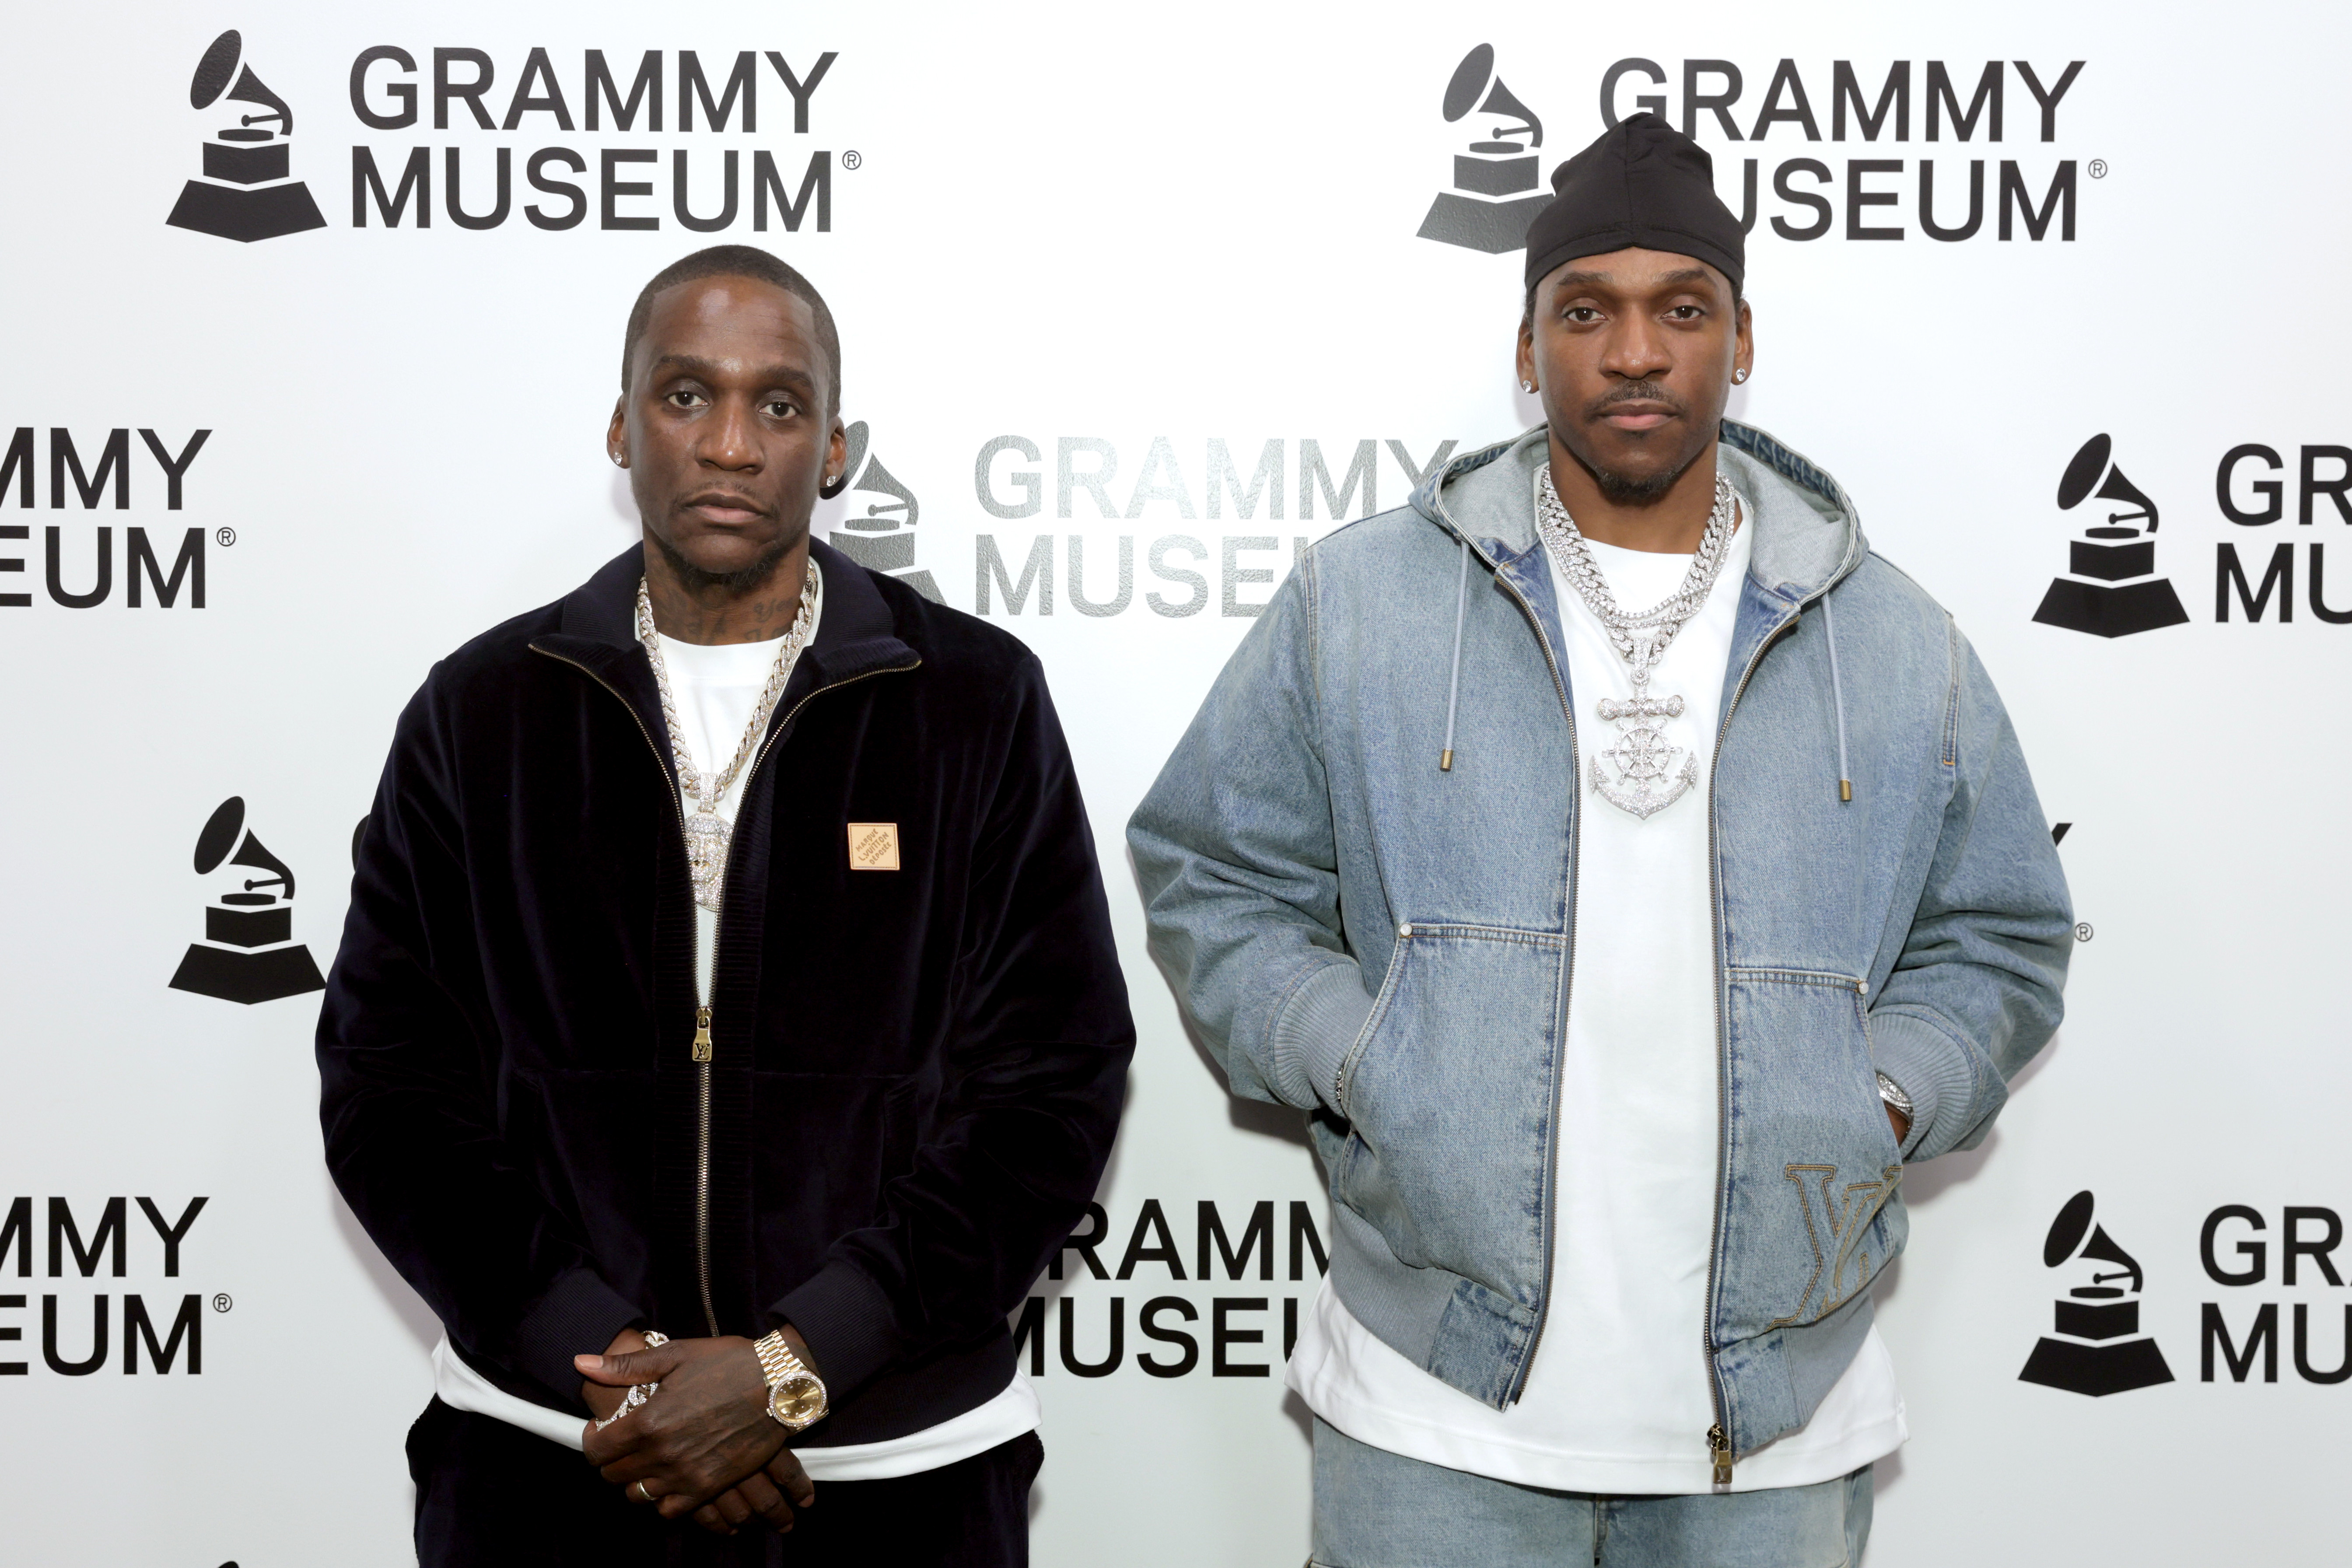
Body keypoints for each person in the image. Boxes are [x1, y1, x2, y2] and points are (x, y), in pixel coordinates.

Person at [1128, 115, 2070, 1566]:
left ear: (1741, 341)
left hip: (1775, 1416)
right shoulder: (1364, 602)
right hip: (1434, 1404)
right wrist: (1363, 1058)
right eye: (1587, 313)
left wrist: (1879, 1096)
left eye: (1682, 311)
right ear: (1528, 346)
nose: (1636, 353)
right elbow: (1214, 872)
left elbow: (2001, 934)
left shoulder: (1893, 638)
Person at [319, 244, 1132, 1566]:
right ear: (621, 426)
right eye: (688, 394)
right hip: (550, 1451)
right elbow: (390, 1088)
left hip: (896, 1469)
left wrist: (796, 1365)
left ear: (838, 450)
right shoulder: (482, 713)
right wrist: (613, 1369)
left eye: (780, 404)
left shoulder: (973, 702)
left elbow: (1052, 1081)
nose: (732, 445)